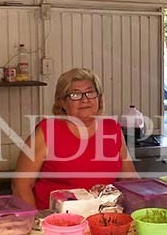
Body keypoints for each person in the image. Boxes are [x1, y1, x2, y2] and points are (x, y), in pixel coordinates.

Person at [12, 68, 138, 209]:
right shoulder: (47, 131)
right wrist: (37, 223)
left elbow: (130, 180)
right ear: (62, 102)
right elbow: (20, 186)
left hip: (105, 221)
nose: (84, 99)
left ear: (99, 98)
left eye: (90, 93)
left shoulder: (112, 129)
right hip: (57, 223)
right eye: (75, 95)